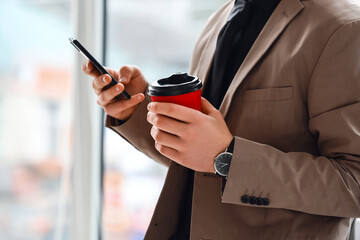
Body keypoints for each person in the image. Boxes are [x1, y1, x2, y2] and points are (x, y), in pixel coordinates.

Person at [83, 0, 360, 238]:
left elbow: (355, 181)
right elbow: (202, 162)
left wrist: (227, 156)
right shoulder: (219, 19)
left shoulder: (343, 28)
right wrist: (135, 110)